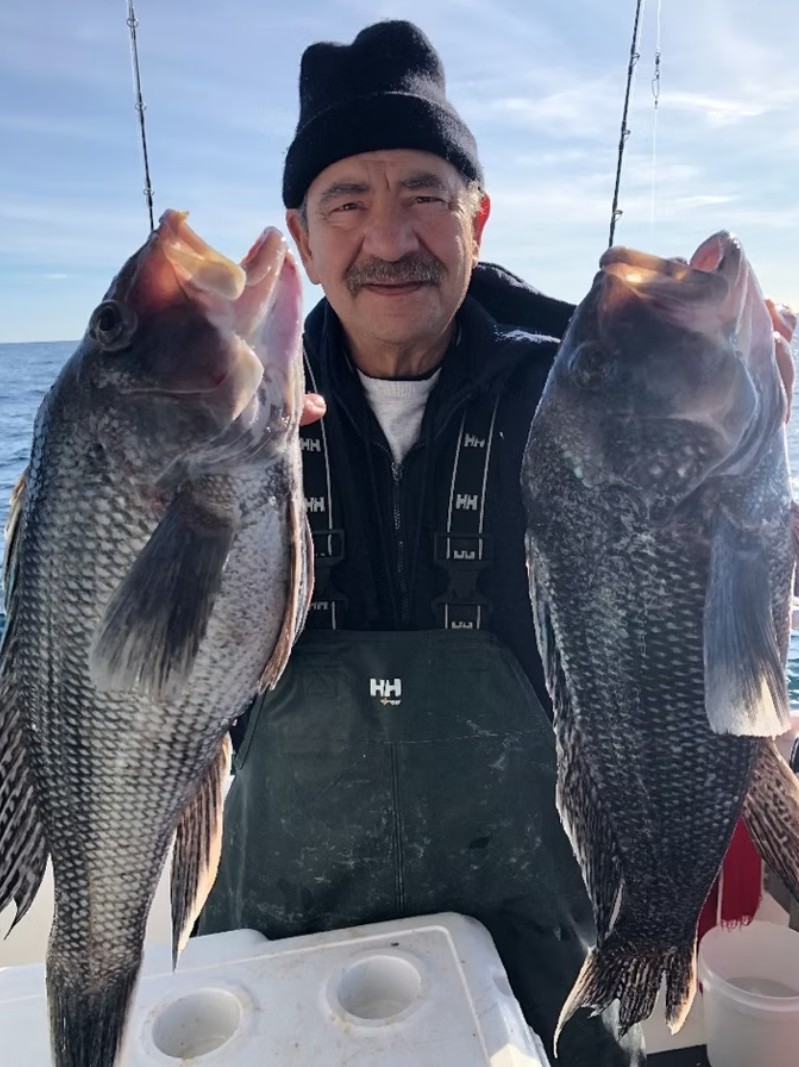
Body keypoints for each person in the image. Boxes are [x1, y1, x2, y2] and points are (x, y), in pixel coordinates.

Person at [198, 19, 796, 1066]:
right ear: (301, 236)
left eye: (425, 193)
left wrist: (750, 425)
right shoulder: (228, 417)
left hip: (535, 960)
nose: (390, 238)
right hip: (275, 957)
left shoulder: (571, 390)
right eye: (348, 202)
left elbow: (718, 598)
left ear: (477, 212)